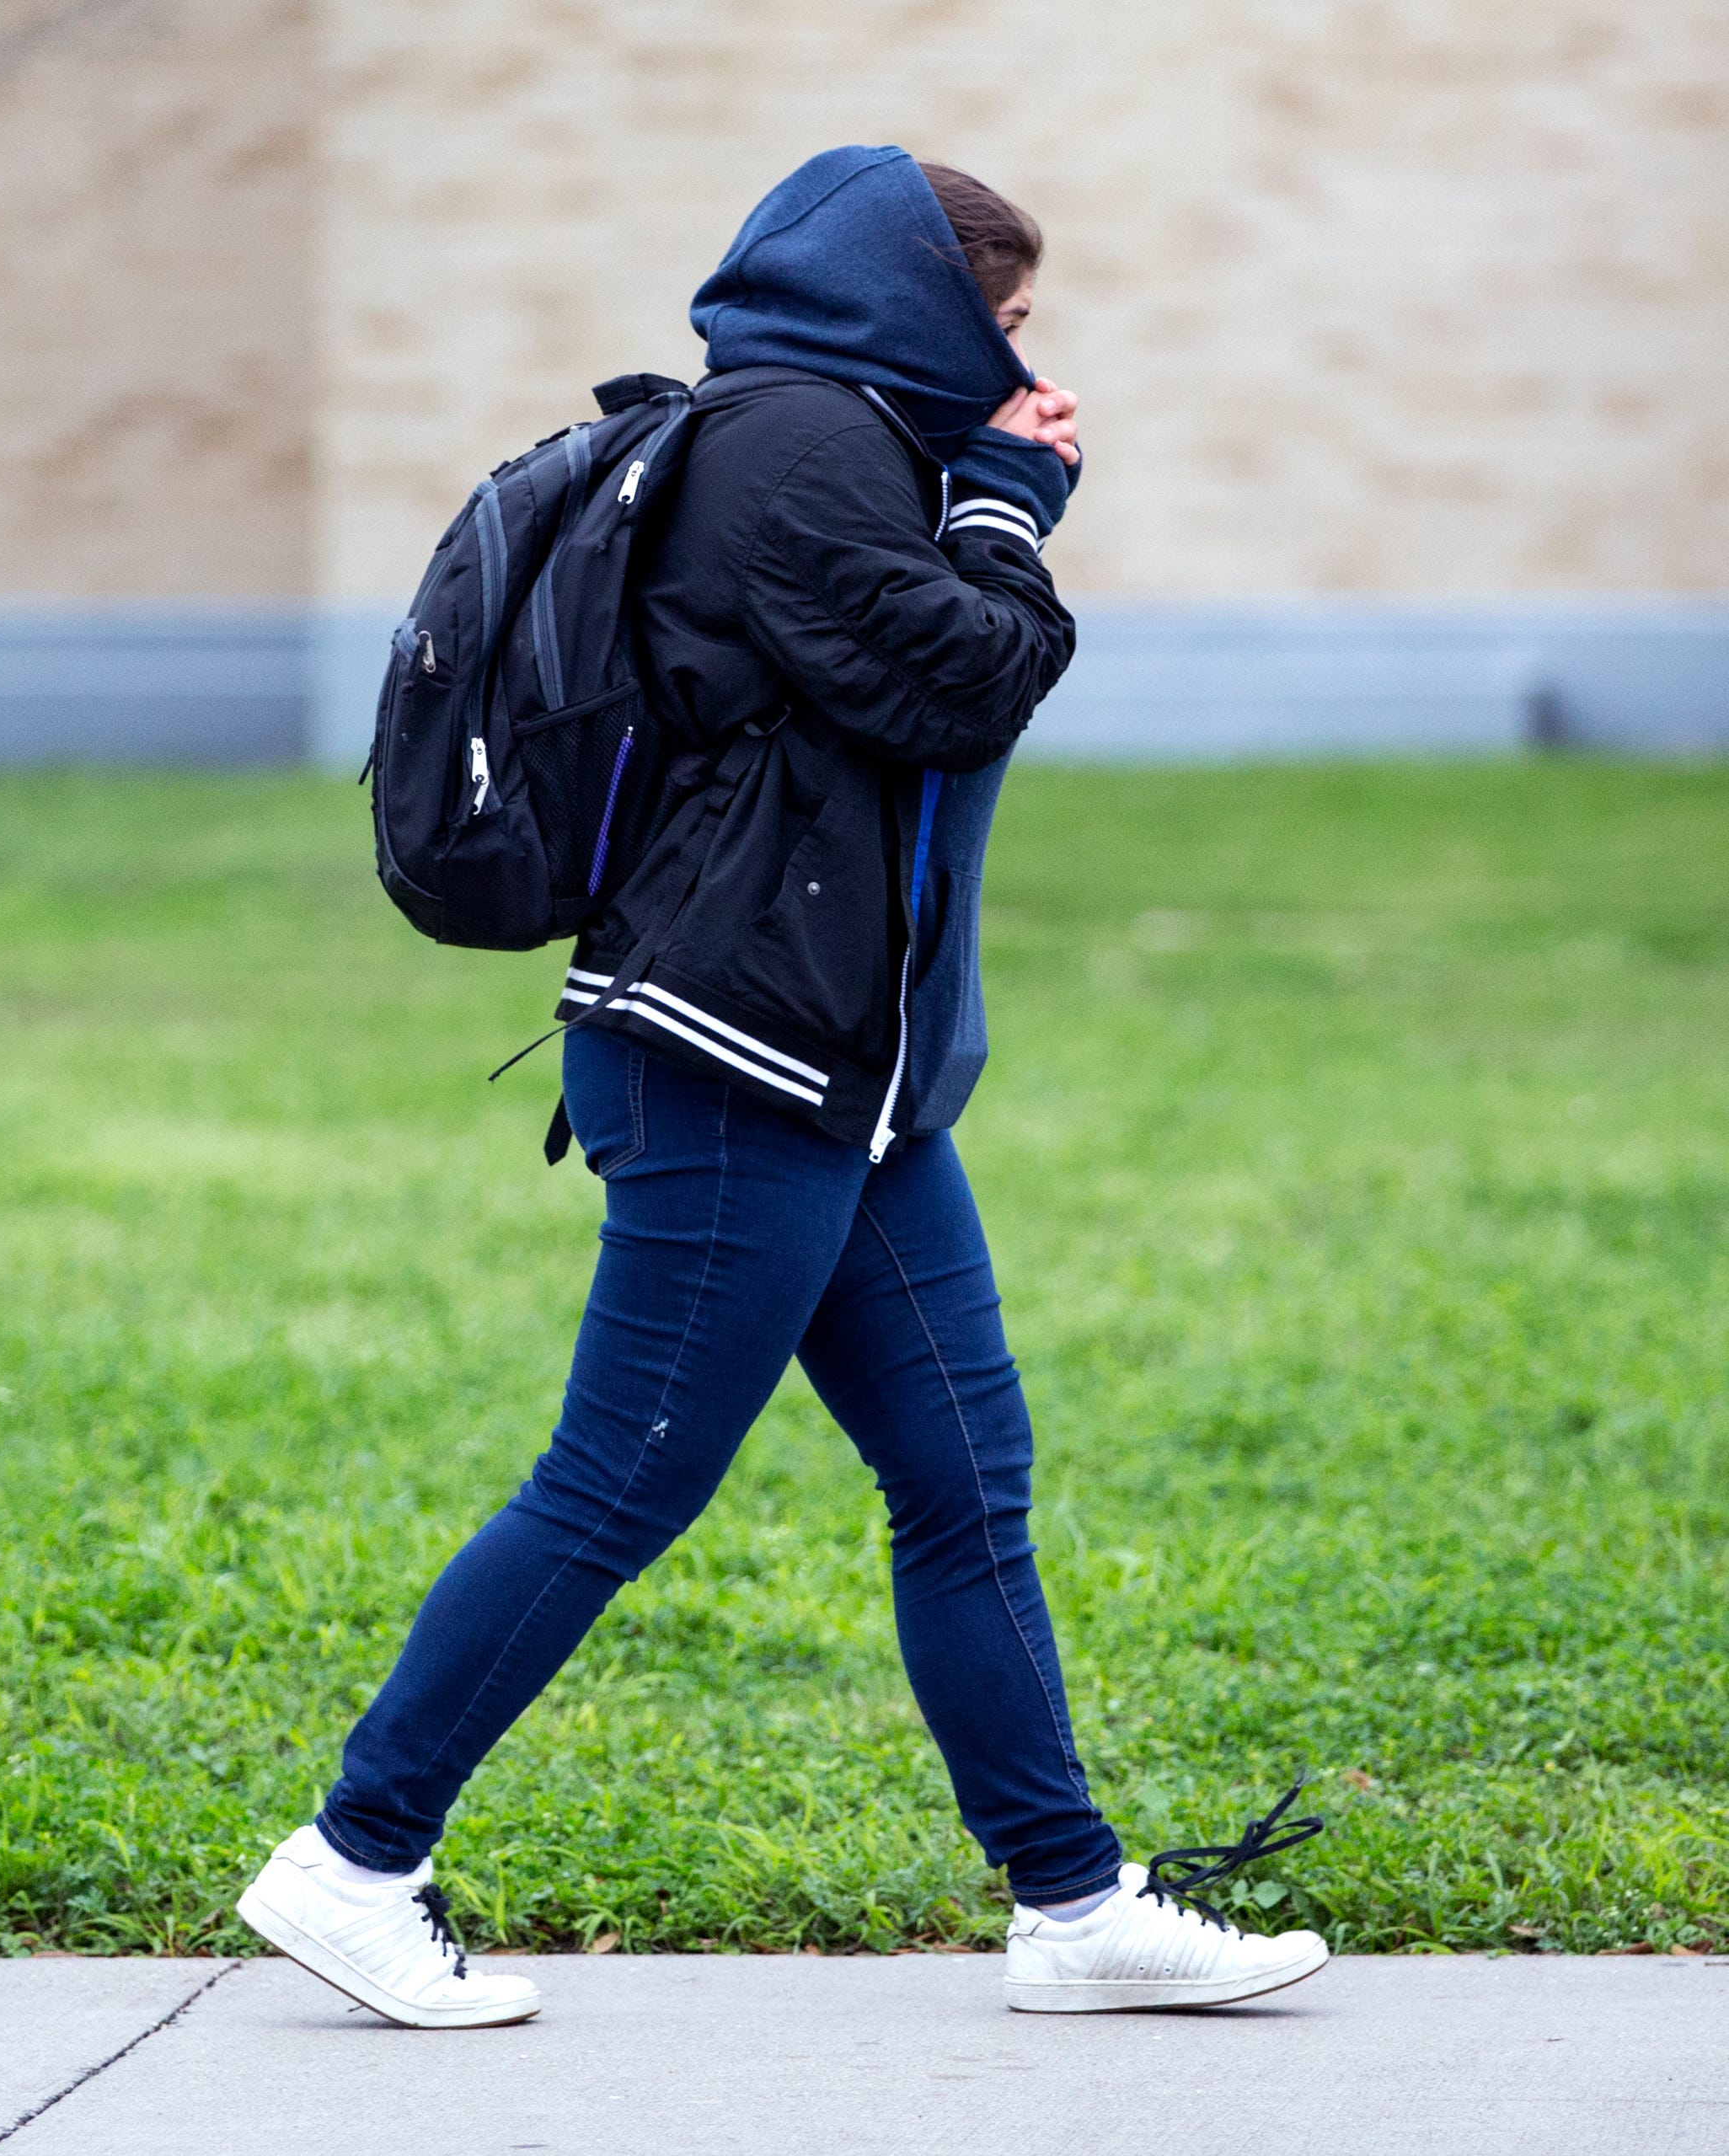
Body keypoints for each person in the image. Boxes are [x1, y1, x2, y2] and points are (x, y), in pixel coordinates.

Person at [238, 145, 1330, 2025]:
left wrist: (981, 492)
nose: (1017, 352)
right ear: (908, 299)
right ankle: (350, 1857)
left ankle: (1072, 1906)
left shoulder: (850, 441)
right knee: (618, 1479)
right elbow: (962, 679)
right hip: (730, 1050)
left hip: (845, 1070)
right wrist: (1011, 502)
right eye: (996, 316)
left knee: (964, 1477)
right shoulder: (793, 447)